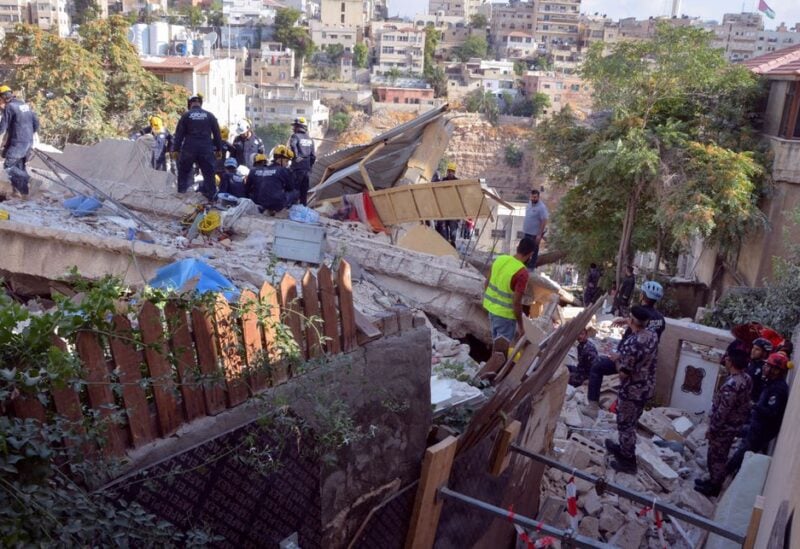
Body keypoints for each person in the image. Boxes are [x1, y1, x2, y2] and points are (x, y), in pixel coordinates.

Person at [584, 280, 665, 417]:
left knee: (597, 366)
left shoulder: (638, 330)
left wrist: (619, 356)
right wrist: (626, 320)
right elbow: (644, 325)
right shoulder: (660, 319)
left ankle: (592, 407)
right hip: (647, 366)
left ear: (643, 295)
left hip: (630, 361)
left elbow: (637, 340)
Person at [603, 305, 659, 474]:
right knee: (632, 421)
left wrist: (616, 359)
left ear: (633, 320)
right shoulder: (652, 335)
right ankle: (623, 448)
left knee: (625, 424)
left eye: (629, 318)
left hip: (632, 390)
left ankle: (628, 461)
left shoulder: (632, 343)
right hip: (645, 387)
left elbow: (623, 374)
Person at [725, 352, 790, 488]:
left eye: (768, 366)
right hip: (756, 425)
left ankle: (719, 481)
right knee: (735, 434)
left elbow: (772, 412)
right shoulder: (771, 383)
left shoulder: (778, 389)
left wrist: (754, 406)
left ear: (776, 370)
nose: (765, 368)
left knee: (742, 453)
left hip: (761, 430)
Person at [694, 348, 752, 497]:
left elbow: (722, 411)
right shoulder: (746, 378)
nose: (725, 360)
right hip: (734, 425)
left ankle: (714, 487)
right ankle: (712, 481)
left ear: (731, 362)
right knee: (719, 455)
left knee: (716, 457)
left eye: (727, 358)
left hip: (724, 428)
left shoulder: (732, 384)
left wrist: (712, 429)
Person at [482, 237, 536, 347]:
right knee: (502, 351)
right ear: (530, 254)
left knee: (496, 345)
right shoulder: (522, 272)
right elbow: (516, 302)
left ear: (517, 247)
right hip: (505, 317)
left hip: (491, 310)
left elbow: (486, 284)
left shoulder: (500, 259)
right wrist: (521, 326)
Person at [172, 94, 222, 201]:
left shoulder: (186, 116)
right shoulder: (210, 116)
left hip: (189, 148)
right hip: (206, 149)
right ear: (200, 103)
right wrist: (219, 149)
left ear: (189, 104)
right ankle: (212, 198)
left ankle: (181, 195)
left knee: (184, 172)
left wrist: (175, 149)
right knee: (209, 175)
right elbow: (217, 134)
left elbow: (179, 134)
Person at [0, 85, 39, 197]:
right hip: (28, 141)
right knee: (19, 168)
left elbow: (2, 128)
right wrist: (27, 135)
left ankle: (30, 180)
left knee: (9, 166)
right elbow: (36, 123)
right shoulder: (23, 104)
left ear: (3, 97)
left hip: (18, 142)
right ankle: (23, 194)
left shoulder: (9, 107)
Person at [247, 146, 298, 214]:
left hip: (257, 201)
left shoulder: (255, 171)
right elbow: (290, 187)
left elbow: (247, 188)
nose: (287, 164)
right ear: (280, 159)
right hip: (276, 204)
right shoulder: (283, 170)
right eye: (286, 161)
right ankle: (284, 210)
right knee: (295, 192)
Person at [288, 116, 316, 205]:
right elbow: (313, 156)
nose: (293, 128)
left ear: (298, 127)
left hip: (297, 169)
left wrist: (296, 158)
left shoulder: (295, 136)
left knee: (295, 190)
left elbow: (293, 146)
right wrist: (309, 166)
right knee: (304, 191)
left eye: (295, 126)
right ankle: (303, 208)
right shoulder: (310, 139)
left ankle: (293, 208)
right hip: (306, 169)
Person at [522, 189, 549, 270]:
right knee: (525, 248)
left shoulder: (541, 207)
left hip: (535, 234)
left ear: (538, 197)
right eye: (532, 197)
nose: (533, 199)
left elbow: (544, 220)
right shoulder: (529, 203)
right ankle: (525, 264)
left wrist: (539, 234)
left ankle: (532, 266)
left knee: (534, 250)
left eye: (535, 197)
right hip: (527, 232)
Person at [568, 322, 599, 387]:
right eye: (578, 334)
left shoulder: (589, 350)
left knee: (566, 378)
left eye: (582, 334)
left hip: (586, 375)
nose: (580, 336)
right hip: (580, 370)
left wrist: (589, 380)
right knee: (566, 367)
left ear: (586, 335)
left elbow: (595, 367)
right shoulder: (580, 346)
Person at [746, 337, 773, 403]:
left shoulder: (765, 367)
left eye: (757, 349)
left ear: (764, 353)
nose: (753, 351)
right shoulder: (750, 362)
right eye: (753, 348)